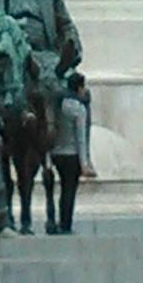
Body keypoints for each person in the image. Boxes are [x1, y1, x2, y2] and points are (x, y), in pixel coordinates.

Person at [49, 71, 96, 234]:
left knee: (61, 189)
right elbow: (81, 138)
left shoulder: (58, 105)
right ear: (79, 87)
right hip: (72, 154)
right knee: (69, 191)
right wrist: (84, 163)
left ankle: (56, 220)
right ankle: (65, 224)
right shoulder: (79, 109)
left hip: (57, 153)